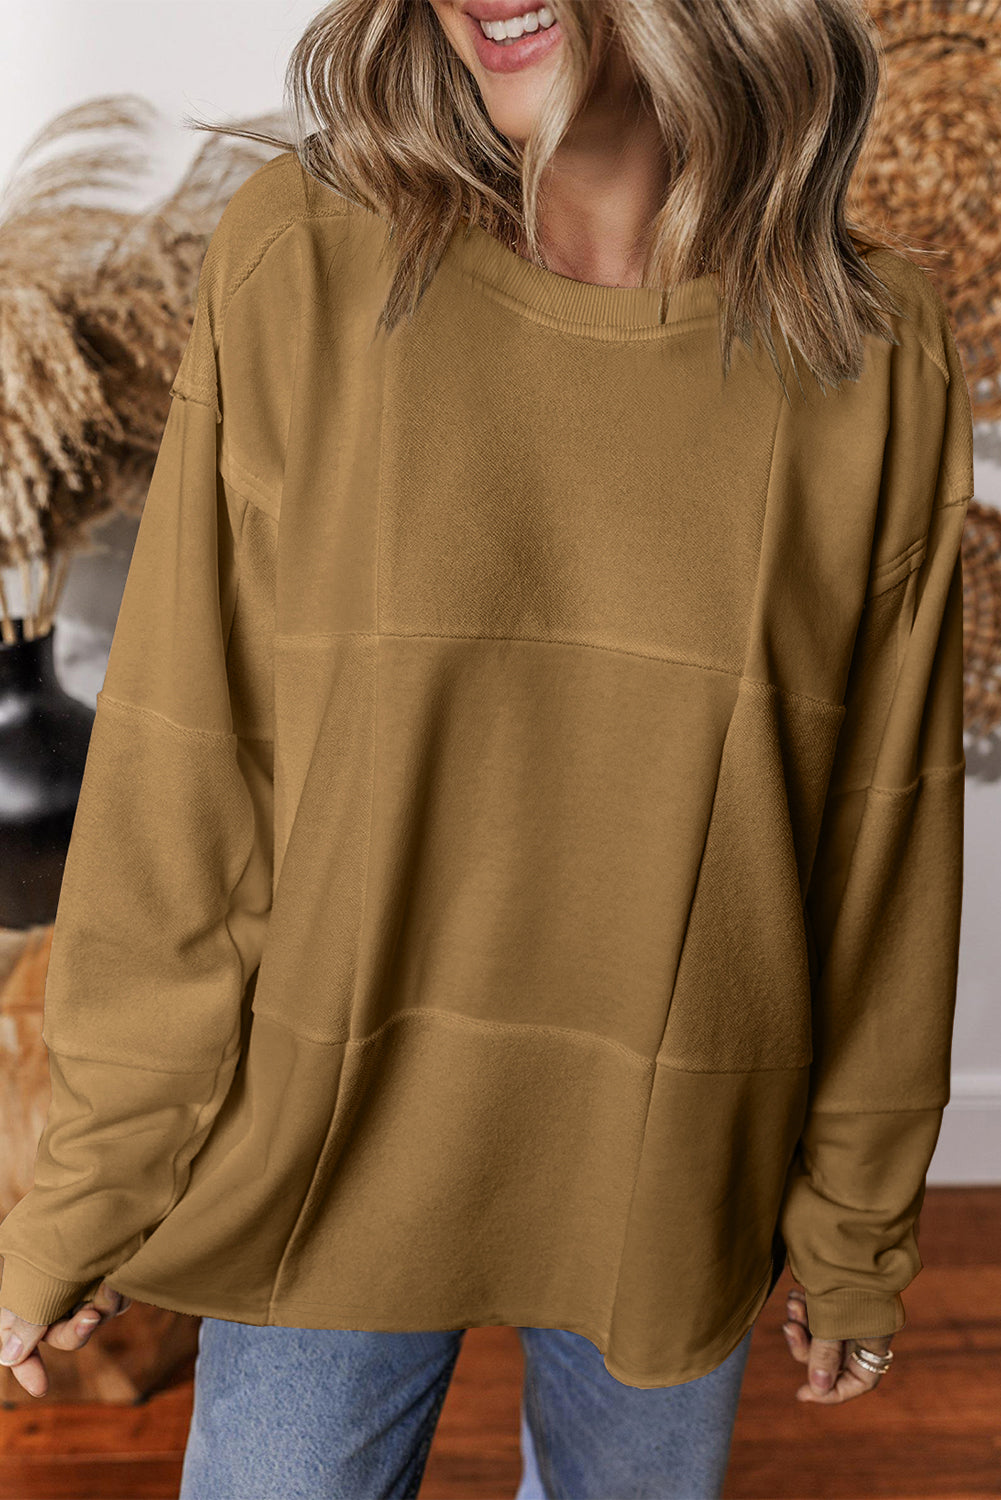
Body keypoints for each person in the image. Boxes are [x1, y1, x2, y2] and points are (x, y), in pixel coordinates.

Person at [0, 0, 972, 1495]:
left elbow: (882, 834)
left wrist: (855, 1223)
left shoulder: (868, 346)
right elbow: (189, 768)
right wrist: (95, 1176)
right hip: (327, 1142)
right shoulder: (302, 263)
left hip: (679, 1153)